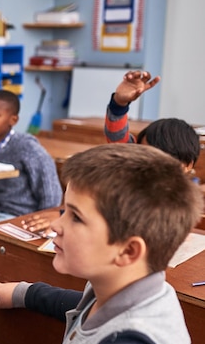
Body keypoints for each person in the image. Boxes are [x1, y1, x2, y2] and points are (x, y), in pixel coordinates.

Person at [0, 143, 202, 344]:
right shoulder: (114, 290)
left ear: (128, 252)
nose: (56, 225)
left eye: (76, 217)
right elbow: (78, 306)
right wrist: (25, 293)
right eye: (63, 210)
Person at [22, 70, 201, 236]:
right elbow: (117, 134)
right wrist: (120, 103)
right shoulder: (134, 167)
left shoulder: (183, 199)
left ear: (186, 166)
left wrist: (68, 217)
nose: (148, 163)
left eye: (160, 159)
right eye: (143, 152)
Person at [0, 90, 63, 279]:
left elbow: (50, 194)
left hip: (17, 215)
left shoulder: (28, 148)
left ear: (13, 119)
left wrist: (43, 226)